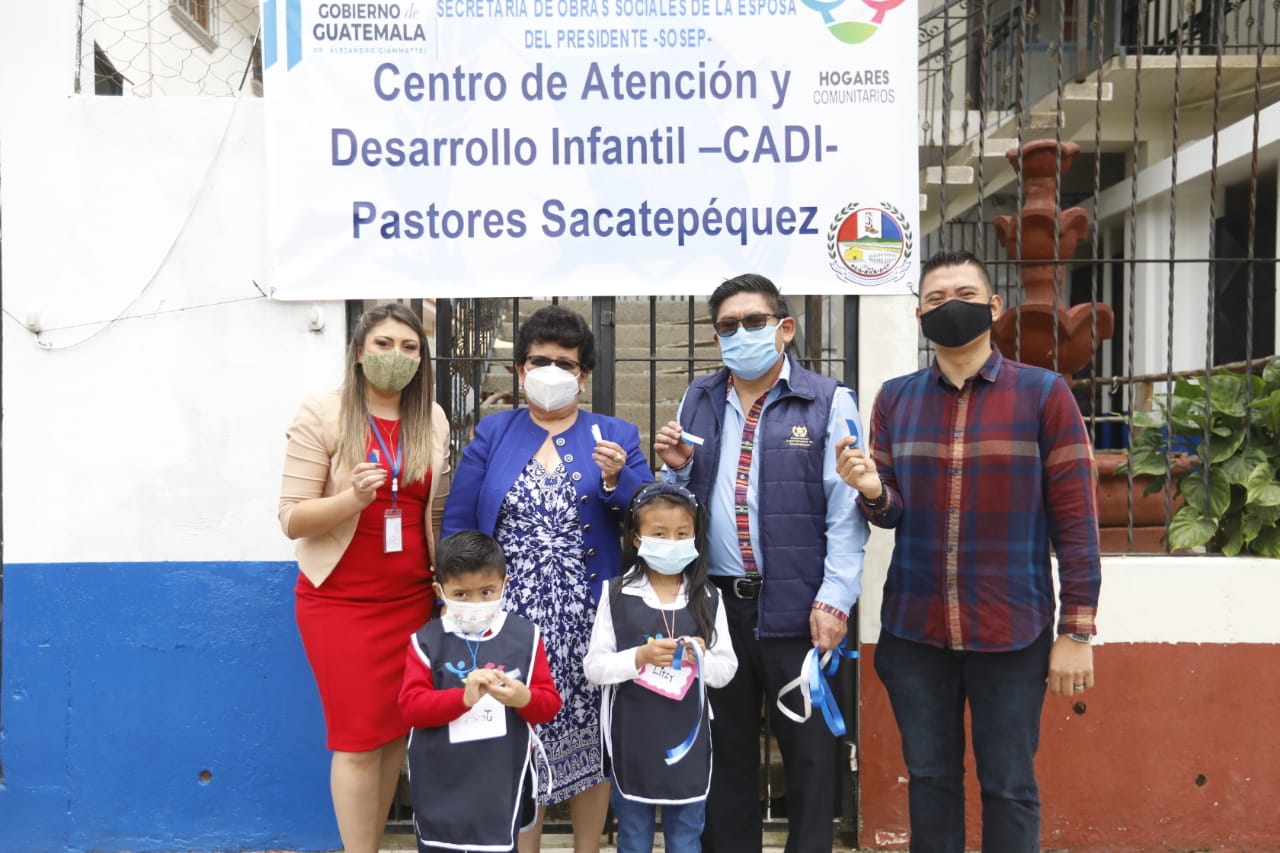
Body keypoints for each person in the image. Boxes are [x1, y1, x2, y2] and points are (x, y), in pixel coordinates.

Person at [836, 248, 1101, 853]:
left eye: (964, 295)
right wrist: (872, 490)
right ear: (919, 315)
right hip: (916, 631)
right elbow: (891, 512)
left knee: (1009, 787)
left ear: (994, 306)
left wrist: (1077, 631)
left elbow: (1076, 522)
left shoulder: (1044, 395)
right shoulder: (896, 399)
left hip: (1011, 630)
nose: (949, 307)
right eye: (935, 299)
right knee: (930, 781)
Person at [653, 273, 869, 853]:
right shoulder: (699, 398)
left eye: (754, 321)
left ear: (785, 329)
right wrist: (676, 468)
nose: (740, 333)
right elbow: (677, 506)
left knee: (810, 757)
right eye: (728, 326)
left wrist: (835, 598)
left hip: (800, 606)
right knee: (724, 757)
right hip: (717, 608)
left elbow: (846, 512)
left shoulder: (829, 400)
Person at [442, 304, 654, 853]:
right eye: (540, 360)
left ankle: (587, 848)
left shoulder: (616, 434)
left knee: (590, 740)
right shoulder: (493, 432)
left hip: (589, 617)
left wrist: (618, 479)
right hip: (511, 620)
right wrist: (459, 605)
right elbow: (461, 523)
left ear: (583, 375)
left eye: (567, 362)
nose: (552, 371)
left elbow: (651, 517)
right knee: (520, 739)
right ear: (520, 369)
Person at [278, 302, 452, 853]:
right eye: (383, 344)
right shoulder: (323, 413)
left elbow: (436, 514)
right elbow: (291, 517)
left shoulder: (433, 419)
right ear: (358, 352)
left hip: (411, 602)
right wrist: (351, 499)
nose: (396, 355)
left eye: (409, 347)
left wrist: (445, 588)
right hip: (340, 604)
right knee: (356, 742)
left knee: (394, 736)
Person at [583, 482, 739, 853]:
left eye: (682, 534)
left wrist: (701, 658)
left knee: (685, 834)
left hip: (687, 741)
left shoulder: (709, 597)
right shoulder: (616, 594)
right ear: (636, 539)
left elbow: (726, 669)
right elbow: (594, 667)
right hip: (633, 738)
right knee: (634, 834)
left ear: (695, 537)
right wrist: (638, 657)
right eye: (659, 534)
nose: (671, 542)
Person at [399, 530, 563, 853]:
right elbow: (411, 707)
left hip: (499, 781)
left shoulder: (525, 637)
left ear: (505, 584)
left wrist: (524, 699)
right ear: (440, 591)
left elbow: (548, 705)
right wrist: (461, 698)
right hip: (441, 780)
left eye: (487, 592)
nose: (475, 603)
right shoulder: (426, 641)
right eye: (461, 594)